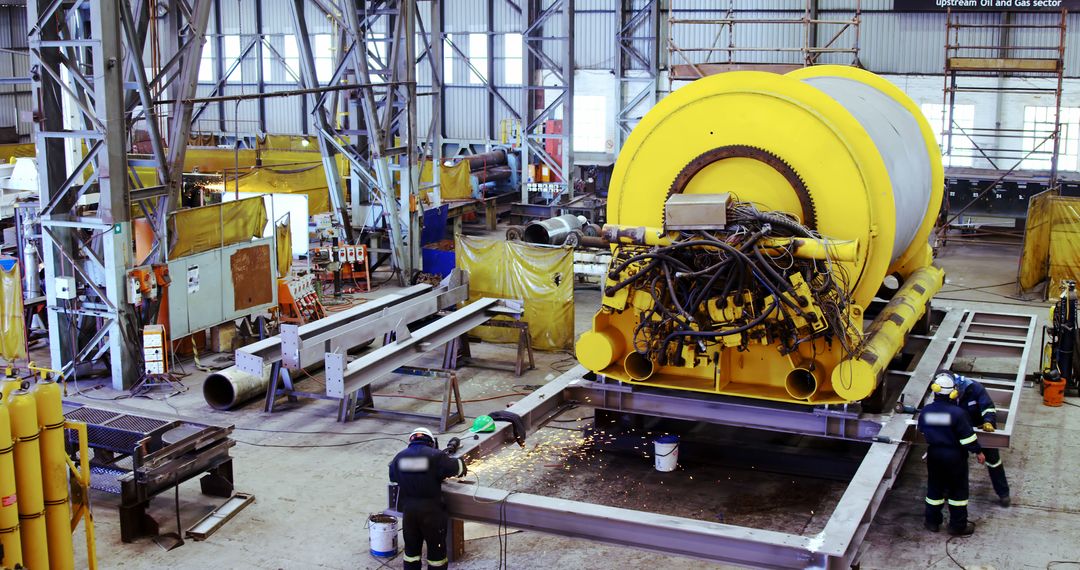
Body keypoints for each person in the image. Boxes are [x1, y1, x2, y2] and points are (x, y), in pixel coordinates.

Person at [918, 372, 986, 536]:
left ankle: (932, 522)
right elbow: (967, 438)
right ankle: (957, 526)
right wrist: (978, 451)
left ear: (935, 390)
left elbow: (922, 430)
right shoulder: (958, 414)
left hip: (934, 454)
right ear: (953, 393)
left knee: (934, 488)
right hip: (954, 456)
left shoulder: (926, 411)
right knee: (958, 491)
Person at [389, 427, 467, 570]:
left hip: (410, 513)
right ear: (430, 442)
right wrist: (457, 460)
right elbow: (459, 468)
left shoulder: (399, 457)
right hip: (432, 513)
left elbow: (393, 477)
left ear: (411, 440)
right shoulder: (436, 456)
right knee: (436, 555)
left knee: (411, 552)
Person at [948, 371, 1011, 506]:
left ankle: (1003, 493)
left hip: (979, 428)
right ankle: (947, 490)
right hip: (957, 430)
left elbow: (987, 407)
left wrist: (988, 421)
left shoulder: (974, 388)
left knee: (993, 460)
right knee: (953, 462)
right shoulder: (944, 391)